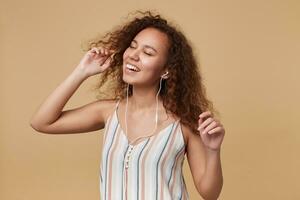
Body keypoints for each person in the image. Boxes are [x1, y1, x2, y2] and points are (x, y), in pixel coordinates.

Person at [30, 10, 225, 200]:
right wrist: (82, 72)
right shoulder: (107, 112)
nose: (133, 55)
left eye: (148, 52)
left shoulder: (185, 122)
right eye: (132, 46)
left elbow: (210, 194)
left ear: (166, 71)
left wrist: (213, 151)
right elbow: (41, 122)